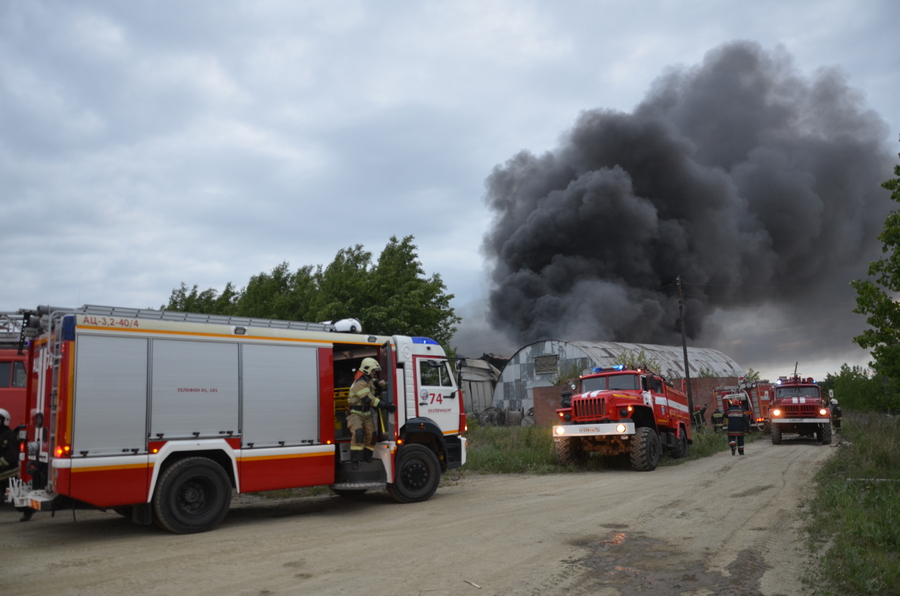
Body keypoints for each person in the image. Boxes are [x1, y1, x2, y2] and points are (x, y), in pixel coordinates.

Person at [347, 358, 395, 469]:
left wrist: (379, 383)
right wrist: (386, 406)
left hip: (367, 413)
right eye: (373, 370)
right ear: (367, 370)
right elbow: (368, 399)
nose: (375, 373)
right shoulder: (359, 383)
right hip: (355, 413)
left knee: (372, 436)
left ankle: (367, 457)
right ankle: (355, 461)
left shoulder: (368, 380)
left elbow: (374, 383)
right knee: (358, 434)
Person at [0, 408, 18, 504]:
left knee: (15, 498)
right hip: (1, 472)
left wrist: (1, 462)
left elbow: (13, 454)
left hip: (10, 472)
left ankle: (27, 510)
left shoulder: (10, 434)